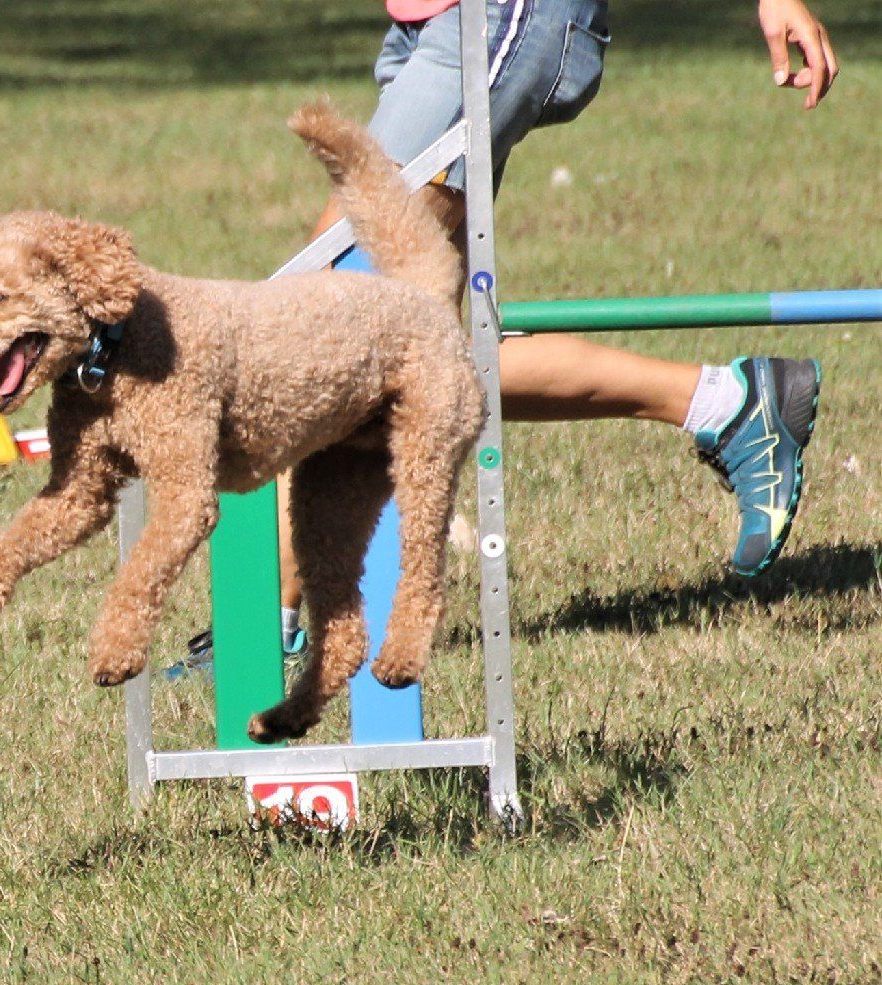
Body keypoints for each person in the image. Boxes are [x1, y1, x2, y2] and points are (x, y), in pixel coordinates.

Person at [176, 0, 839, 669]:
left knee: (325, 325)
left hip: (496, 16)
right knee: (403, 368)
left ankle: (259, 636)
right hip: (429, 24)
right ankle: (726, 404)